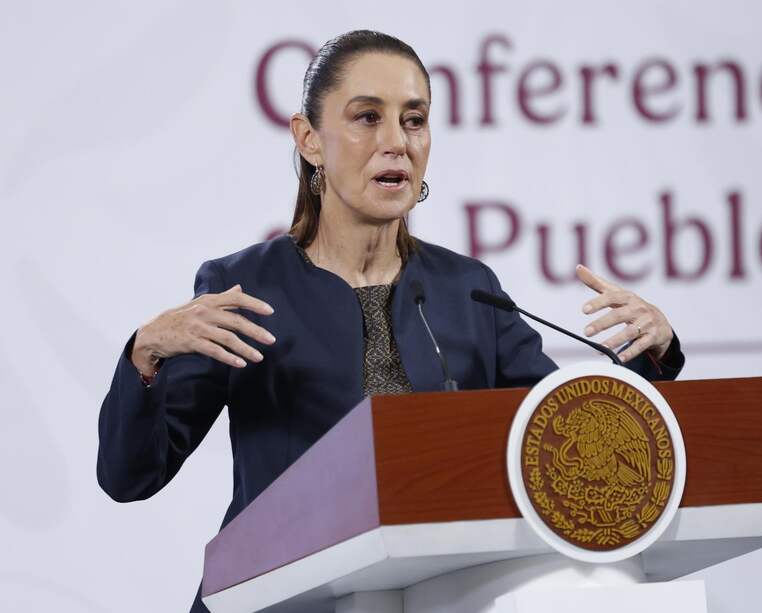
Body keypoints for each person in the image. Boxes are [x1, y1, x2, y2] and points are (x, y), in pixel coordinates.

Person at [96, 30, 685, 613]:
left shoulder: (469, 290)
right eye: (367, 118)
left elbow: (562, 449)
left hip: (438, 595)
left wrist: (651, 354)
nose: (396, 142)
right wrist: (145, 355)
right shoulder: (246, 289)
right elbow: (131, 477)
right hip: (283, 600)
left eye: (413, 119)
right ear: (309, 141)